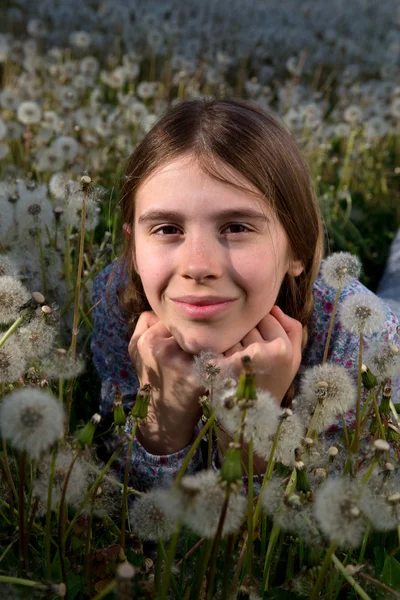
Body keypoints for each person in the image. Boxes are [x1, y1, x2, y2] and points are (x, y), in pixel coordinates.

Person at [91, 98, 399, 492]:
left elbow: (299, 522)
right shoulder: (116, 300)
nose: (198, 265)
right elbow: (131, 500)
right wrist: (161, 416)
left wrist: (254, 421)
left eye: (236, 227)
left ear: (298, 250)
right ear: (133, 248)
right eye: (167, 229)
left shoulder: (359, 339)